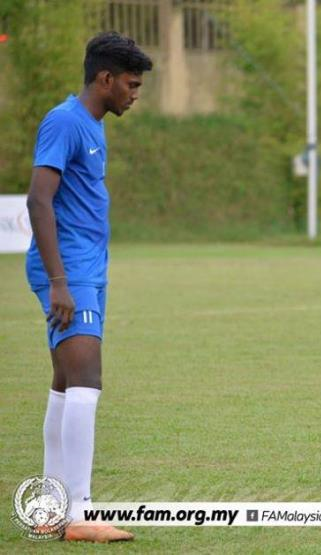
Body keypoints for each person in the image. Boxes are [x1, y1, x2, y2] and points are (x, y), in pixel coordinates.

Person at [26, 32, 153, 541]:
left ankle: (52, 508)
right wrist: (60, 280)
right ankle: (78, 513)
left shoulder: (92, 126)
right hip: (69, 271)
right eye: (130, 83)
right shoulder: (65, 121)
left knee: (65, 385)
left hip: (84, 268)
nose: (134, 93)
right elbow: (38, 200)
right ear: (105, 79)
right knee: (86, 381)